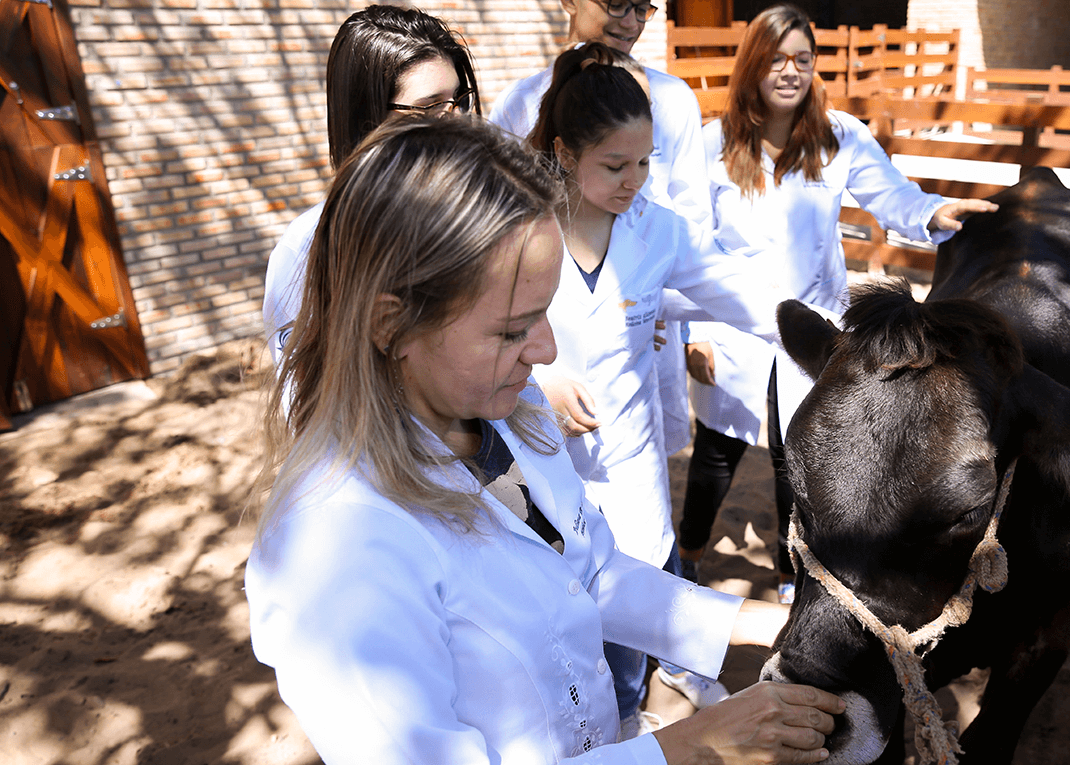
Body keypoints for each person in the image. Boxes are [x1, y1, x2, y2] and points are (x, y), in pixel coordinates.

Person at [245, 113, 844, 765]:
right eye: (511, 329)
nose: (548, 350)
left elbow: (586, 571)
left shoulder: (497, 411)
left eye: (545, 313)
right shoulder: (338, 547)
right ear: (392, 325)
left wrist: (759, 625)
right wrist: (687, 747)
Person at [676, 4, 998, 601]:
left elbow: (890, 193)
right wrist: (693, 332)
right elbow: (688, 245)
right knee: (715, 454)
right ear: (754, 64)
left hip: (813, 329)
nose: (790, 71)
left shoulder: (838, 135)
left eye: (803, 59)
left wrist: (931, 212)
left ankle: (787, 576)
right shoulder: (711, 144)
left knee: (795, 459)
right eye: (777, 59)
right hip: (733, 328)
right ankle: (688, 558)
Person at [528, 42, 797, 735]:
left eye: (645, 163)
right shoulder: (517, 226)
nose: (634, 181)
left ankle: (633, 716)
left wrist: (828, 337)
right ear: (562, 152)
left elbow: (739, 292)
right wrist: (538, 377)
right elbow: (471, 326)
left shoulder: (656, 230)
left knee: (635, 610)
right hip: (536, 465)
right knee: (560, 628)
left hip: (630, 460)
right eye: (615, 166)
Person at [489, 0, 702, 467]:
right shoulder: (519, 102)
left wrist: (659, 302)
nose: (630, 21)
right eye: (616, 3)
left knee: (640, 477)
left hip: (644, 327)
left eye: (643, 8)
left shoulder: (674, 98)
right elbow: (494, 234)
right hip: (546, 338)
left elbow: (693, 220)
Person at [262, 4, 480, 366]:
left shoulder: (476, 211)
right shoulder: (307, 250)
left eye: (459, 101)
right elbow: (305, 404)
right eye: (430, 109)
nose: (457, 123)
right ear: (368, 119)